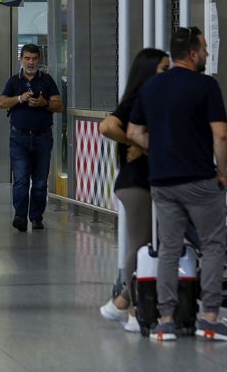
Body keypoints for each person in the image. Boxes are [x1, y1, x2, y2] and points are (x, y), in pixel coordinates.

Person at [128, 26, 227, 341]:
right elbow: (221, 135)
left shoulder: (152, 87)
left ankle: (166, 320)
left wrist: (159, 149)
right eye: (205, 49)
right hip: (199, 180)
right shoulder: (207, 86)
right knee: (212, 245)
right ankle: (209, 317)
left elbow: (133, 132)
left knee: (169, 248)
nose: (208, 54)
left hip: (162, 180)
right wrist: (223, 171)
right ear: (194, 54)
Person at [98, 47, 169, 333]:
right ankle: (130, 307)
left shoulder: (154, 99)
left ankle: (123, 302)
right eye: (164, 68)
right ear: (150, 70)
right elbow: (106, 127)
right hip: (135, 182)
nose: (169, 72)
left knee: (152, 243)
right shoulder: (139, 99)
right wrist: (138, 143)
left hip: (146, 182)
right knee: (140, 245)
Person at [0, 43, 64, 231]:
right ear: (21, 59)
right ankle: (20, 216)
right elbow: (1, 102)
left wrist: (44, 103)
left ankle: (36, 217)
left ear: (39, 60)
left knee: (41, 181)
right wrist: (19, 98)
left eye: (34, 58)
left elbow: (59, 106)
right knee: (21, 179)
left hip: (43, 137)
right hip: (19, 138)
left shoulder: (47, 81)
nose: (30, 62)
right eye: (27, 58)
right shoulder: (14, 81)